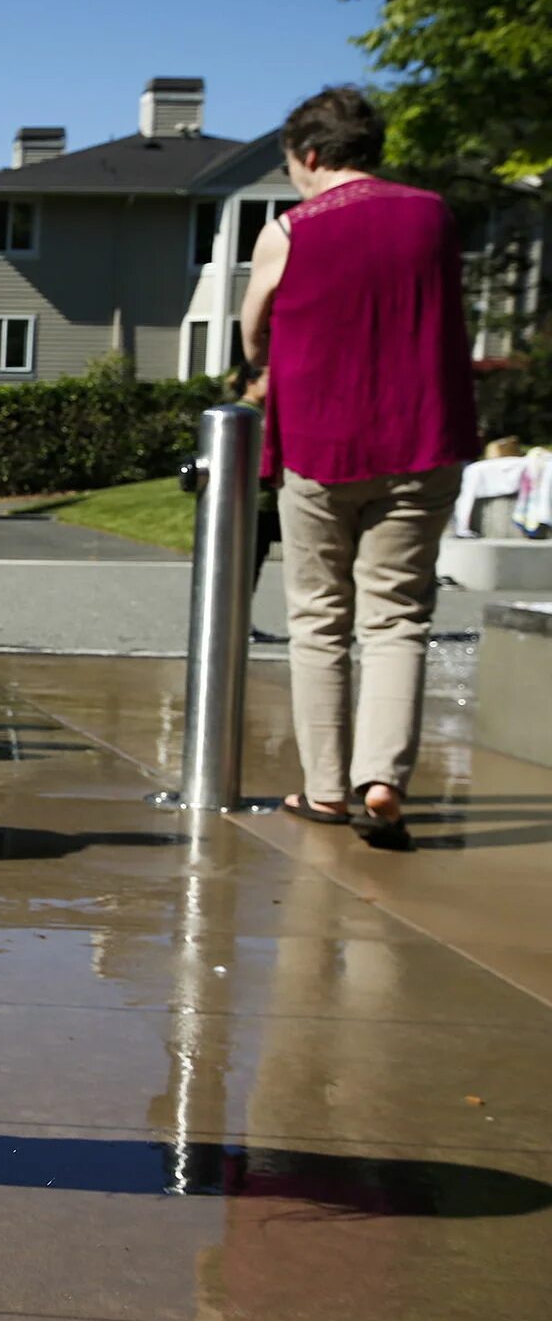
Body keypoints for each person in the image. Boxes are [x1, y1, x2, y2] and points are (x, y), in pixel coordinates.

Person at [241, 86, 480, 852]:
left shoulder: (290, 229)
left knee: (319, 619)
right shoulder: (433, 215)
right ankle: (384, 779)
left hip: (321, 446)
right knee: (399, 616)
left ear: (310, 155)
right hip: (422, 439)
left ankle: (325, 791)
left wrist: (261, 364)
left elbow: (253, 333)